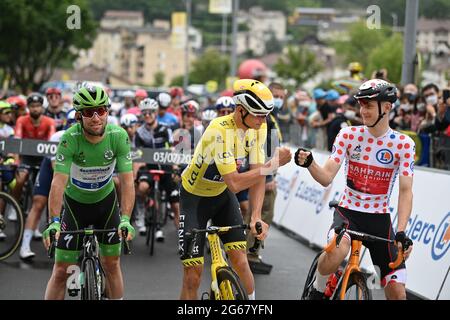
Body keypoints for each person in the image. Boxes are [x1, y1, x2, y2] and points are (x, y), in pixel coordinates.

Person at [295, 79, 414, 300]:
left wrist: (402, 231)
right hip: (348, 212)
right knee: (337, 251)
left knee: (398, 292)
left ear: (386, 107)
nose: (362, 110)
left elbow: (406, 191)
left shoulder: (403, 144)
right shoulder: (348, 135)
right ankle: (318, 291)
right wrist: (310, 163)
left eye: (369, 105)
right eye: (361, 105)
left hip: (379, 219)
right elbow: (326, 177)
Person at [178, 79, 292, 300]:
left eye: (266, 114)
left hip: (222, 197)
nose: (263, 119)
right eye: (258, 114)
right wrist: (274, 164)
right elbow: (236, 183)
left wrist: (256, 216)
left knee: (240, 260)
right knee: (193, 275)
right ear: (240, 110)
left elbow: (257, 175)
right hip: (195, 198)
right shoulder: (218, 130)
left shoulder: (259, 126)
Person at [42, 85, 135, 300]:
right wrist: (54, 221)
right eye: (88, 112)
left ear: (108, 112)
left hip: (106, 204)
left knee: (112, 264)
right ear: (78, 116)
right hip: (75, 207)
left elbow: (128, 182)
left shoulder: (118, 136)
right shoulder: (70, 138)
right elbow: (58, 183)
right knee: (60, 271)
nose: (95, 117)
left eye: (100, 110)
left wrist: (126, 218)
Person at [19, 109, 77, 260]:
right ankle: (25, 245)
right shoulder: (58, 137)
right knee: (38, 203)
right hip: (53, 170)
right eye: (72, 124)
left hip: (73, 173)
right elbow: (55, 167)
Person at [245, 82, 284, 275]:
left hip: (267, 171)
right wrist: (268, 176)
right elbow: (264, 149)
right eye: (276, 95)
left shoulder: (272, 118)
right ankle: (250, 254)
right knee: (261, 214)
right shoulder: (263, 119)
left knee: (262, 214)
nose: (279, 100)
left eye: (282, 96)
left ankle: (252, 252)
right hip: (262, 174)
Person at [134, 97, 179, 238]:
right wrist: (135, 176)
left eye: (150, 112)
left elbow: (172, 149)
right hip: (148, 167)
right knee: (141, 188)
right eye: (144, 113)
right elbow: (137, 156)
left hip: (165, 167)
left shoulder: (165, 129)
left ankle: (184, 238)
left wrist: (175, 168)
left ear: (156, 112)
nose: (147, 115)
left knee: (176, 206)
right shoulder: (139, 132)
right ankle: (141, 211)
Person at [12, 93, 56, 205]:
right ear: (28, 107)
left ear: (42, 107)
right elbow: (17, 142)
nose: (35, 109)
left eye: (37, 106)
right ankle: (15, 204)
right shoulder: (21, 120)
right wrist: (16, 160)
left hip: (42, 158)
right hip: (26, 157)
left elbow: (52, 143)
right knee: (20, 179)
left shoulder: (50, 122)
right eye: (32, 106)